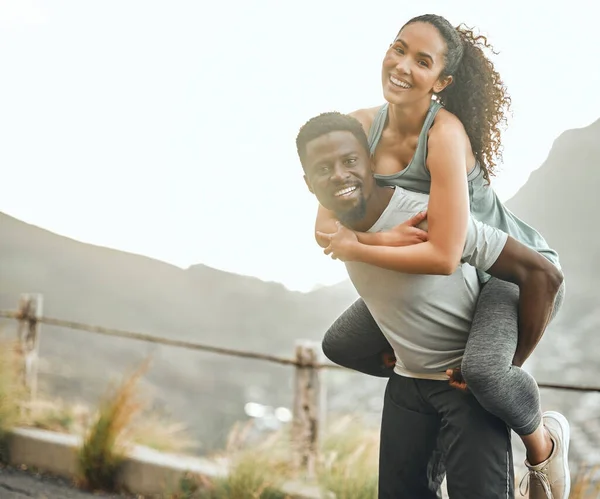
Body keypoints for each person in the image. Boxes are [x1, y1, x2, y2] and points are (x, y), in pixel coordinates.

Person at [312, 14, 568, 499]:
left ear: (442, 81)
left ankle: (543, 444)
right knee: (343, 344)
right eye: (398, 47)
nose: (402, 65)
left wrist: (500, 369)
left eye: (422, 61)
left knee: (485, 375)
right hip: (447, 272)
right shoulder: (361, 126)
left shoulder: (444, 135)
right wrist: (375, 243)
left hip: (508, 272)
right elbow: (327, 227)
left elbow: (445, 254)